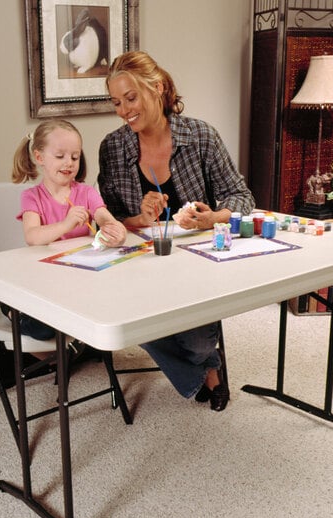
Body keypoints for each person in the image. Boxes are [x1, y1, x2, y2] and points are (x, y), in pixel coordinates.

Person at [98, 51, 255, 411]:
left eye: (131, 98)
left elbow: (242, 195)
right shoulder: (112, 147)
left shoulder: (201, 136)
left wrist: (213, 217)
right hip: (138, 266)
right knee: (131, 323)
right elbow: (104, 218)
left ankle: (204, 360)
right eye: (116, 102)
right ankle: (209, 372)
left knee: (198, 342)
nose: (124, 110)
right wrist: (137, 218)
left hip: (197, 263)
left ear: (157, 88)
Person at [10, 118, 127, 340]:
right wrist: (66, 223)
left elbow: (105, 218)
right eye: (60, 156)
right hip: (48, 282)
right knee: (45, 330)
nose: (69, 163)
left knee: (109, 308)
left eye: (75, 157)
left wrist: (115, 230)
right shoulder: (32, 197)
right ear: (39, 157)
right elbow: (32, 236)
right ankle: (12, 310)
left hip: (82, 279)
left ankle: (78, 346)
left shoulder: (86, 193)